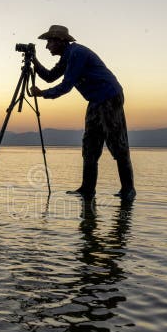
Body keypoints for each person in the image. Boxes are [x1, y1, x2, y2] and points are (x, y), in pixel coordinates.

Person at [30, 25, 136, 201]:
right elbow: (50, 76)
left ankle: (128, 189)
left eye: (49, 41)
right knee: (90, 146)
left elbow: (66, 86)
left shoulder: (76, 54)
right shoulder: (67, 56)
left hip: (109, 96)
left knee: (117, 143)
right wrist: (34, 61)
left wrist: (43, 93)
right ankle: (87, 189)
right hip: (95, 100)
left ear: (61, 41)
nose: (47, 46)